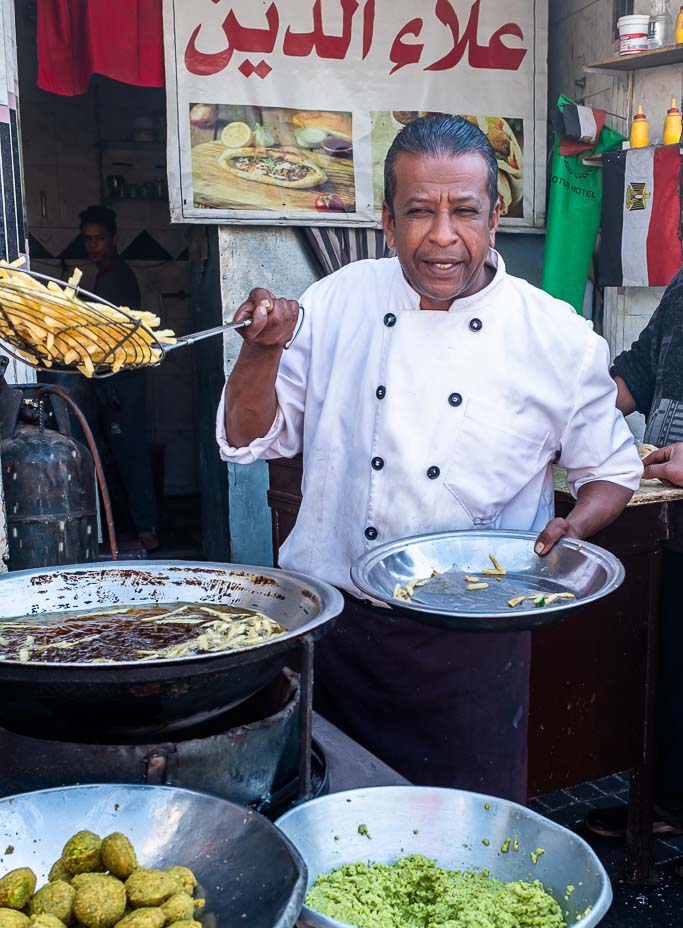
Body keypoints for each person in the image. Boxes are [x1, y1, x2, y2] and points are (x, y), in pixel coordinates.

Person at [217, 114, 641, 804]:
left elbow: (611, 471)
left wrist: (577, 525)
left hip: (472, 650)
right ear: (388, 221)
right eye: (419, 211)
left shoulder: (555, 336)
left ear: (494, 218)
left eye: (464, 211)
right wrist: (261, 352)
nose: (442, 236)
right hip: (332, 633)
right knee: (331, 830)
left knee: (468, 838)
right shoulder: (337, 301)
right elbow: (247, 438)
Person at [585, 270, 683, 839]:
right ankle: (668, 805)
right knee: (667, 668)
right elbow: (635, 376)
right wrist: (571, 411)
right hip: (670, 517)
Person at [79, 206, 159, 552]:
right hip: (109, 376)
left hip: (122, 378)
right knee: (118, 453)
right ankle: (132, 527)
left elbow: (115, 333)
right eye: (87, 239)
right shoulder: (103, 275)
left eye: (99, 238)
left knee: (130, 452)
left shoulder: (118, 278)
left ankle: (146, 530)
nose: (93, 245)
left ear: (114, 239)